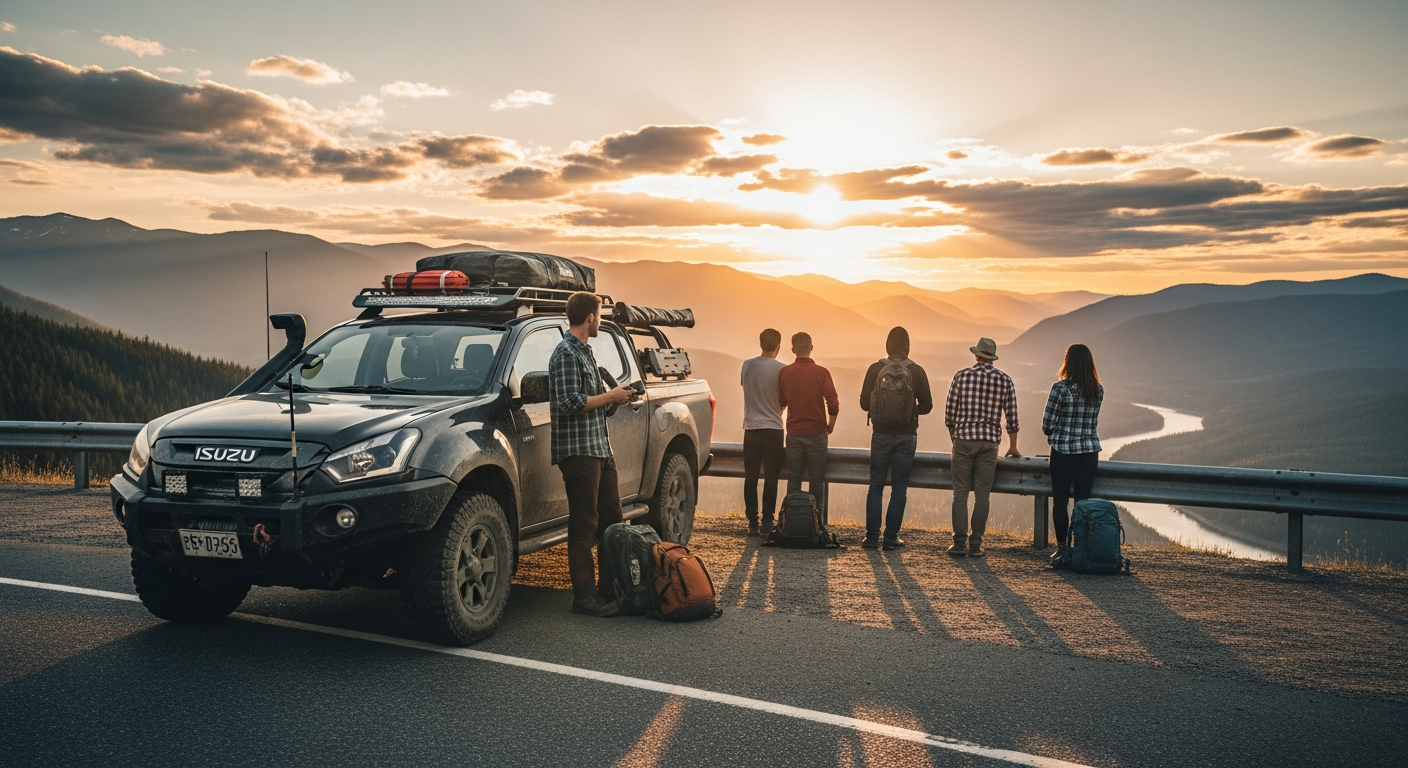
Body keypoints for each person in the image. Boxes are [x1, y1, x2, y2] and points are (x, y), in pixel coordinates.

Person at [548, 292, 636, 617]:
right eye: (599, 315)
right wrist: (607, 396)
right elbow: (569, 402)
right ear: (590, 318)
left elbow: (592, 403)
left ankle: (610, 590)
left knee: (613, 521)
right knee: (585, 524)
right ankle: (584, 598)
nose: (600, 320)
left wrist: (615, 400)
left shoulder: (586, 353)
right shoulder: (565, 354)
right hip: (579, 452)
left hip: (599, 447)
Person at [944, 337, 1020, 557]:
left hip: (963, 440)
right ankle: (975, 544)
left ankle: (959, 544)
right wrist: (1013, 446)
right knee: (982, 495)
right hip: (989, 444)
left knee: (959, 494)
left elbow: (950, 414)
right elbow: (1012, 418)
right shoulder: (1004, 380)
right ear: (992, 358)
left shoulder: (961, 376)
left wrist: (955, 438)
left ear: (976, 355)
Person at [858, 327, 933, 550]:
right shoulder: (917, 371)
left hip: (880, 433)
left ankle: (871, 538)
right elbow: (927, 406)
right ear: (908, 347)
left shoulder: (875, 369)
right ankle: (891, 538)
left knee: (875, 487)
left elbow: (863, 404)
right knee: (899, 488)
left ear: (887, 346)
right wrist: (909, 411)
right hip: (906, 435)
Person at [1042, 344, 1103, 559]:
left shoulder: (1059, 389)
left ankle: (1062, 549)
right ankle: (1080, 548)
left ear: (1068, 362)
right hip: (1088, 453)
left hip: (1063, 452)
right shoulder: (1097, 390)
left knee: (1060, 502)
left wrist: (1054, 432)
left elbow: (1047, 424)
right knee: (1082, 502)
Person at [777, 332, 838, 517]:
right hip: (817, 433)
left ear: (793, 349)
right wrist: (830, 425)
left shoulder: (785, 373)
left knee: (794, 479)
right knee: (816, 480)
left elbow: (781, 402)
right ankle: (815, 521)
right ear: (811, 348)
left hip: (794, 433)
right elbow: (833, 402)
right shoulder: (821, 372)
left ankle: (792, 519)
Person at [741, 328, 787, 537]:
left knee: (750, 477)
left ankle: (752, 522)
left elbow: (745, 386)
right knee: (771, 477)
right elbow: (784, 399)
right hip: (774, 428)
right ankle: (767, 521)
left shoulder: (747, 365)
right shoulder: (782, 370)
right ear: (778, 347)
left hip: (751, 427)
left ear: (761, 344)